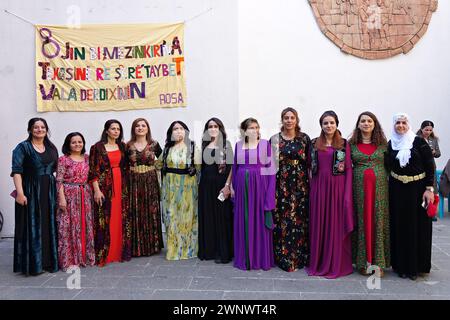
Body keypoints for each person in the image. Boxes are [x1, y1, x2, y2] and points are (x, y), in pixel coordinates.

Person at [387, 113, 435, 280]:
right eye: (397, 123)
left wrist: (429, 189)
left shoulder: (419, 142)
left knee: (417, 226)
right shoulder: (391, 144)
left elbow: (430, 165)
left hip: (418, 190)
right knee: (399, 225)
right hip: (397, 190)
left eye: (403, 122)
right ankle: (401, 265)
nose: (400, 126)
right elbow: (388, 165)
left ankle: (416, 266)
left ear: (409, 124)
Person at [307, 110, 354, 279]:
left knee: (335, 223)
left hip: (337, 188)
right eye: (325, 123)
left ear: (337, 124)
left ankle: (336, 262)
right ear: (321, 125)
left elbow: (348, 169)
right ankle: (318, 262)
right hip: (319, 188)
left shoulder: (343, 144)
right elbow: (309, 167)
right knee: (319, 223)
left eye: (332, 122)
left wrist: (347, 194)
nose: (329, 126)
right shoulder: (313, 143)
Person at [11, 118, 59, 275]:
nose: (39, 129)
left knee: (47, 224)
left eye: (42, 127)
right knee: (32, 225)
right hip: (30, 190)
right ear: (30, 130)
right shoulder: (22, 147)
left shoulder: (51, 148)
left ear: (46, 129)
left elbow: (56, 171)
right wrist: (20, 193)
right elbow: (17, 171)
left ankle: (48, 261)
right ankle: (34, 264)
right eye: (36, 127)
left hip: (49, 190)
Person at [349, 112, 390, 277]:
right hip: (359, 190)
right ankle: (363, 262)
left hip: (380, 190)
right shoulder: (351, 144)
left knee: (378, 221)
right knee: (362, 220)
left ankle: (378, 263)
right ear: (358, 124)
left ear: (375, 124)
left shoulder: (384, 145)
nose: (366, 123)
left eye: (369, 121)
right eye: (363, 121)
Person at [232, 118, 276, 271]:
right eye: (250, 128)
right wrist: (232, 187)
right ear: (244, 130)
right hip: (241, 187)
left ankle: (259, 258)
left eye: (256, 127)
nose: (254, 130)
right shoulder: (238, 145)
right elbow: (235, 168)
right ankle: (245, 257)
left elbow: (271, 171)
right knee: (244, 220)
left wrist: (269, 195)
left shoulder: (265, 144)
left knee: (259, 221)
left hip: (260, 187)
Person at [270, 107, 310, 272]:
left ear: (296, 120)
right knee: (283, 221)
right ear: (282, 120)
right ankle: (284, 258)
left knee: (300, 220)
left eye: (292, 117)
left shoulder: (304, 139)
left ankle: (300, 258)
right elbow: (270, 165)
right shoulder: (274, 139)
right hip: (282, 184)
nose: (289, 120)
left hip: (300, 184)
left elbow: (310, 164)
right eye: (286, 117)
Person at [88, 120, 130, 266]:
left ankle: (120, 251)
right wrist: (96, 190)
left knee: (120, 216)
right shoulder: (97, 147)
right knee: (105, 217)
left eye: (118, 129)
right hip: (104, 186)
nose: (116, 131)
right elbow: (92, 170)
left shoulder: (123, 146)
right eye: (113, 128)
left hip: (121, 185)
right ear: (106, 131)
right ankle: (106, 252)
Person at [56, 132, 95, 271]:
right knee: (68, 226)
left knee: (84, 224)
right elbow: (59, 180)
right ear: (68, 144)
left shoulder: (87, 158)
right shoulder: (63, 160)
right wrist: (61, 199)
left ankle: (84, 256)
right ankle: (70, 259)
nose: (77, 144)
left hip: (85, 194)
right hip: (69, 195)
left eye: (80, 142)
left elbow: (93, 176)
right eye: (74, 142)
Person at [161, 121, 199, 260]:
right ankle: (173, 250)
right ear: (171, 133)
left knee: (187, 217)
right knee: (172, 218)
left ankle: (189, 250)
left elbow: (200, 168)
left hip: (188, 187)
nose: (178, 131)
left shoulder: (193, 147)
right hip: (170, 188)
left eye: (181, 128)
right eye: (175, 129)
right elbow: (159, 164)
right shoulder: (167, 149)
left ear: (186, 131)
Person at [198, 118, 234, 263]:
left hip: (221, 186)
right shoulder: (204, 145)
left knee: (222, 218)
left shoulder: (226, 145)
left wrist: (227, 186)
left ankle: (223, 252)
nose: (213, 128)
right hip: (206, 187)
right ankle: (210, 251)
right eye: (210, 126)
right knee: (209, 217)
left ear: (220, 128)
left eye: (215, 126)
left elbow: (232, 168)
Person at [127, 118, 164, 257]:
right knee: (135, 210)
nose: (140, 128)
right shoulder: (128, 145)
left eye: (143, 125)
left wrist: (156, 168)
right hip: (134, 181)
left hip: (150, 181)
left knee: (151, 210)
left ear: (147, 128)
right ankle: (137, 247)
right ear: (133, 129)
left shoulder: (154, 144)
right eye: (137, 126)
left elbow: (164, 159)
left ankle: (152, 246)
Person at [416, 120, 441, 192]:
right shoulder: (416, 139)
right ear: (421, 129)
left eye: (430, 130)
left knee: (431, 189)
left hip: (431, 167)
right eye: (426, 130)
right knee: (420, 188)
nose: (428, 132)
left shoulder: (434, 139)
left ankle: (430, 202)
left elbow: (438, 154)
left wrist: (433, 152)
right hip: (419, 167)